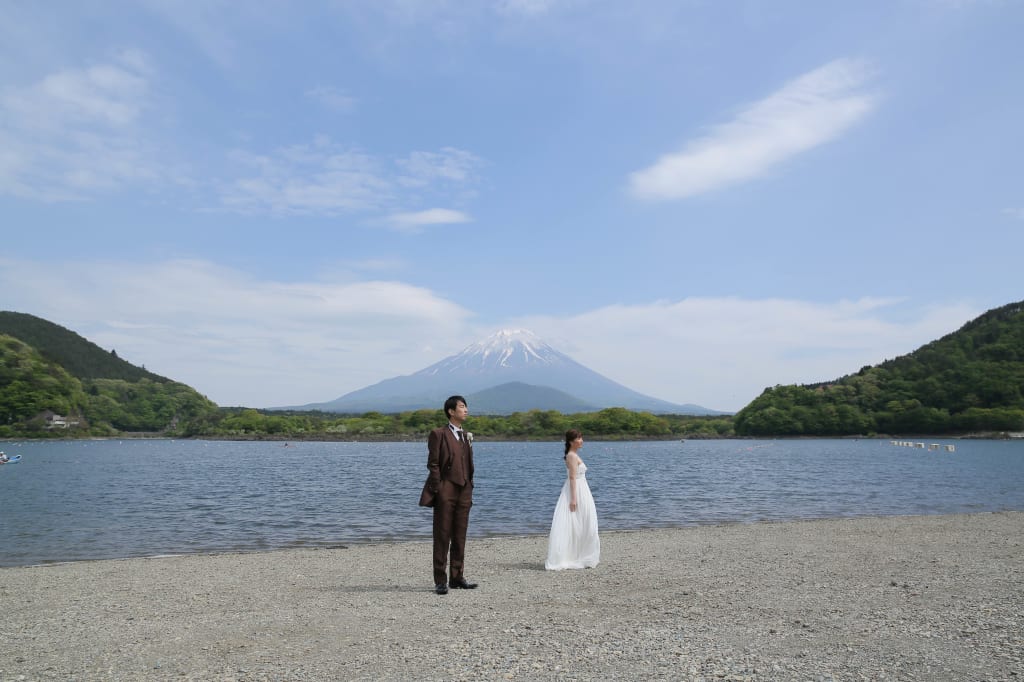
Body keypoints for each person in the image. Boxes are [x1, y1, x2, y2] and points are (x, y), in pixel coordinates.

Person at [426, 395, 477, 595]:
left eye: (466, 406)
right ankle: (440, 580)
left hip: (465, 490)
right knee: (442, 535)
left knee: (460, 535)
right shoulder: (438, 434)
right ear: (451, 411)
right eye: (462, 407)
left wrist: (470, 485)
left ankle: (457, 577)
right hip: (446, 489)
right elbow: (433, 463)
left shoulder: (466, 436)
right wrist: (438, 488)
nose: (466, 410)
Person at [545, 428, 600, 570]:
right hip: (576, 491)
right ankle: (571, 556)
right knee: (575, 522)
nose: (581, 441)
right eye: (578, 438)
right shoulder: (571, 456)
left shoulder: (574, 455)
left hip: (582, 488)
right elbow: (572, 478)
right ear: (571, 441)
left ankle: (581, 554)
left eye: (582, 437)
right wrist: (574, 499)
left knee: (585, 522)